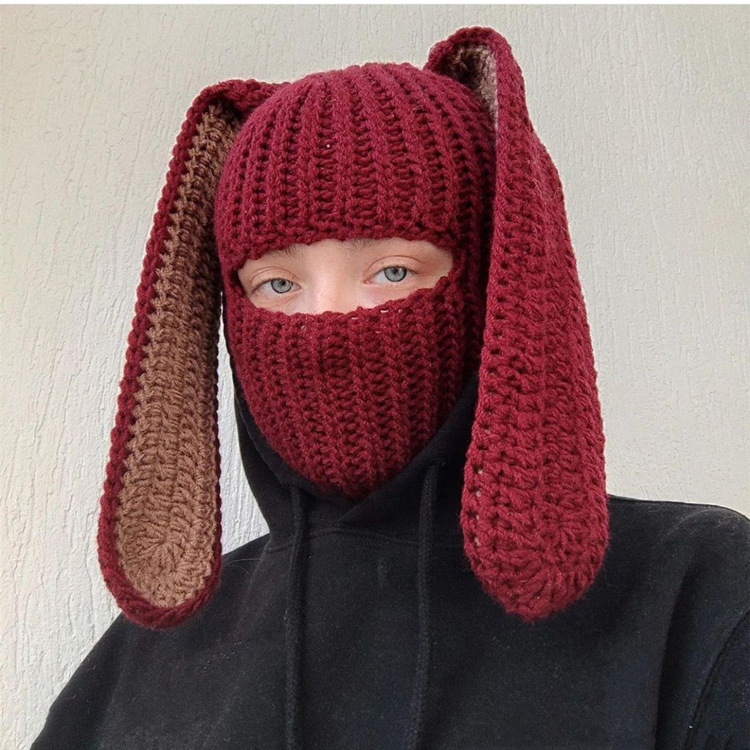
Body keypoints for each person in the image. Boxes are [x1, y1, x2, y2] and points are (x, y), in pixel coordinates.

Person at [32, 25, 749, 750]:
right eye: (278, 283)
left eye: (392, 271)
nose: (329, 321)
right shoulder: (137, 668)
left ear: (494, 279)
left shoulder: (699, 599)